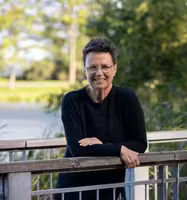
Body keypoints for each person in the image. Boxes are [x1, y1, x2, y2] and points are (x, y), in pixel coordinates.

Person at [54, 38, 147, 200]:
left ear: (115, 69)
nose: (99, 73)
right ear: (85, 70)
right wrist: (119, 149)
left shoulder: (127, 98)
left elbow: (140, 143)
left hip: (109, 189)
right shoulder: (71, 100)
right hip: (72, 191)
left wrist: (103, 145)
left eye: (105, 67)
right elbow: (77, 148)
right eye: (92, 67)